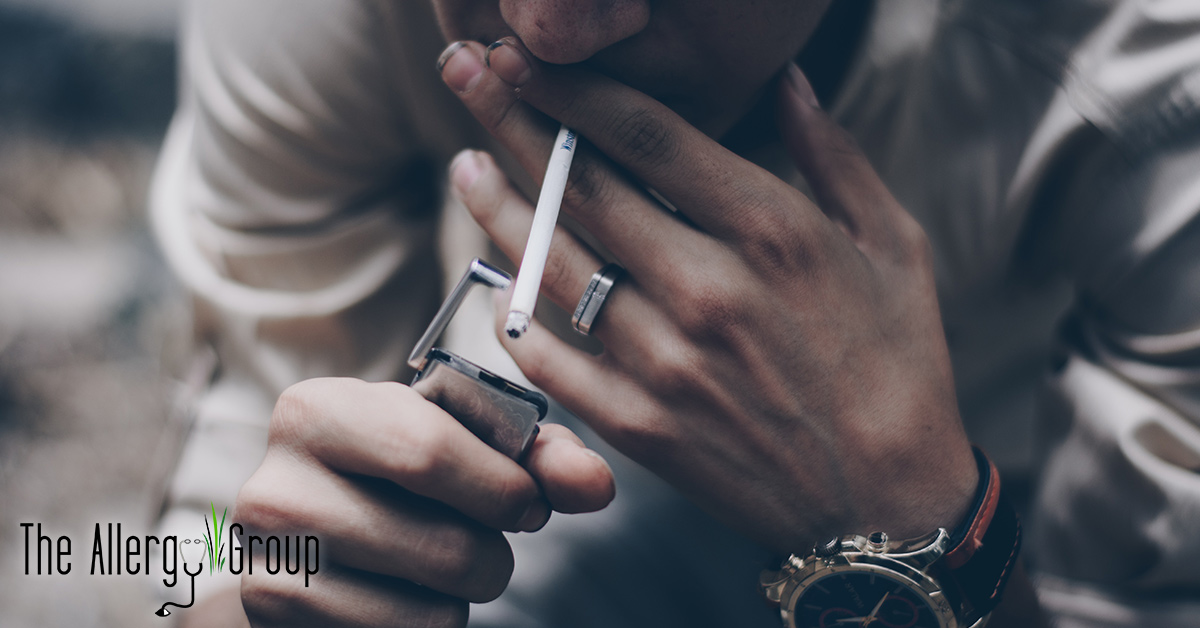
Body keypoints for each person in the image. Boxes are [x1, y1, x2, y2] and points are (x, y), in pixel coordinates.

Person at [150, 0, 1200, 626]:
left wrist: (922, 526)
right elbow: (205, 525)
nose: (549, 26)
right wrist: (249, 592)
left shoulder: (1156, 74)